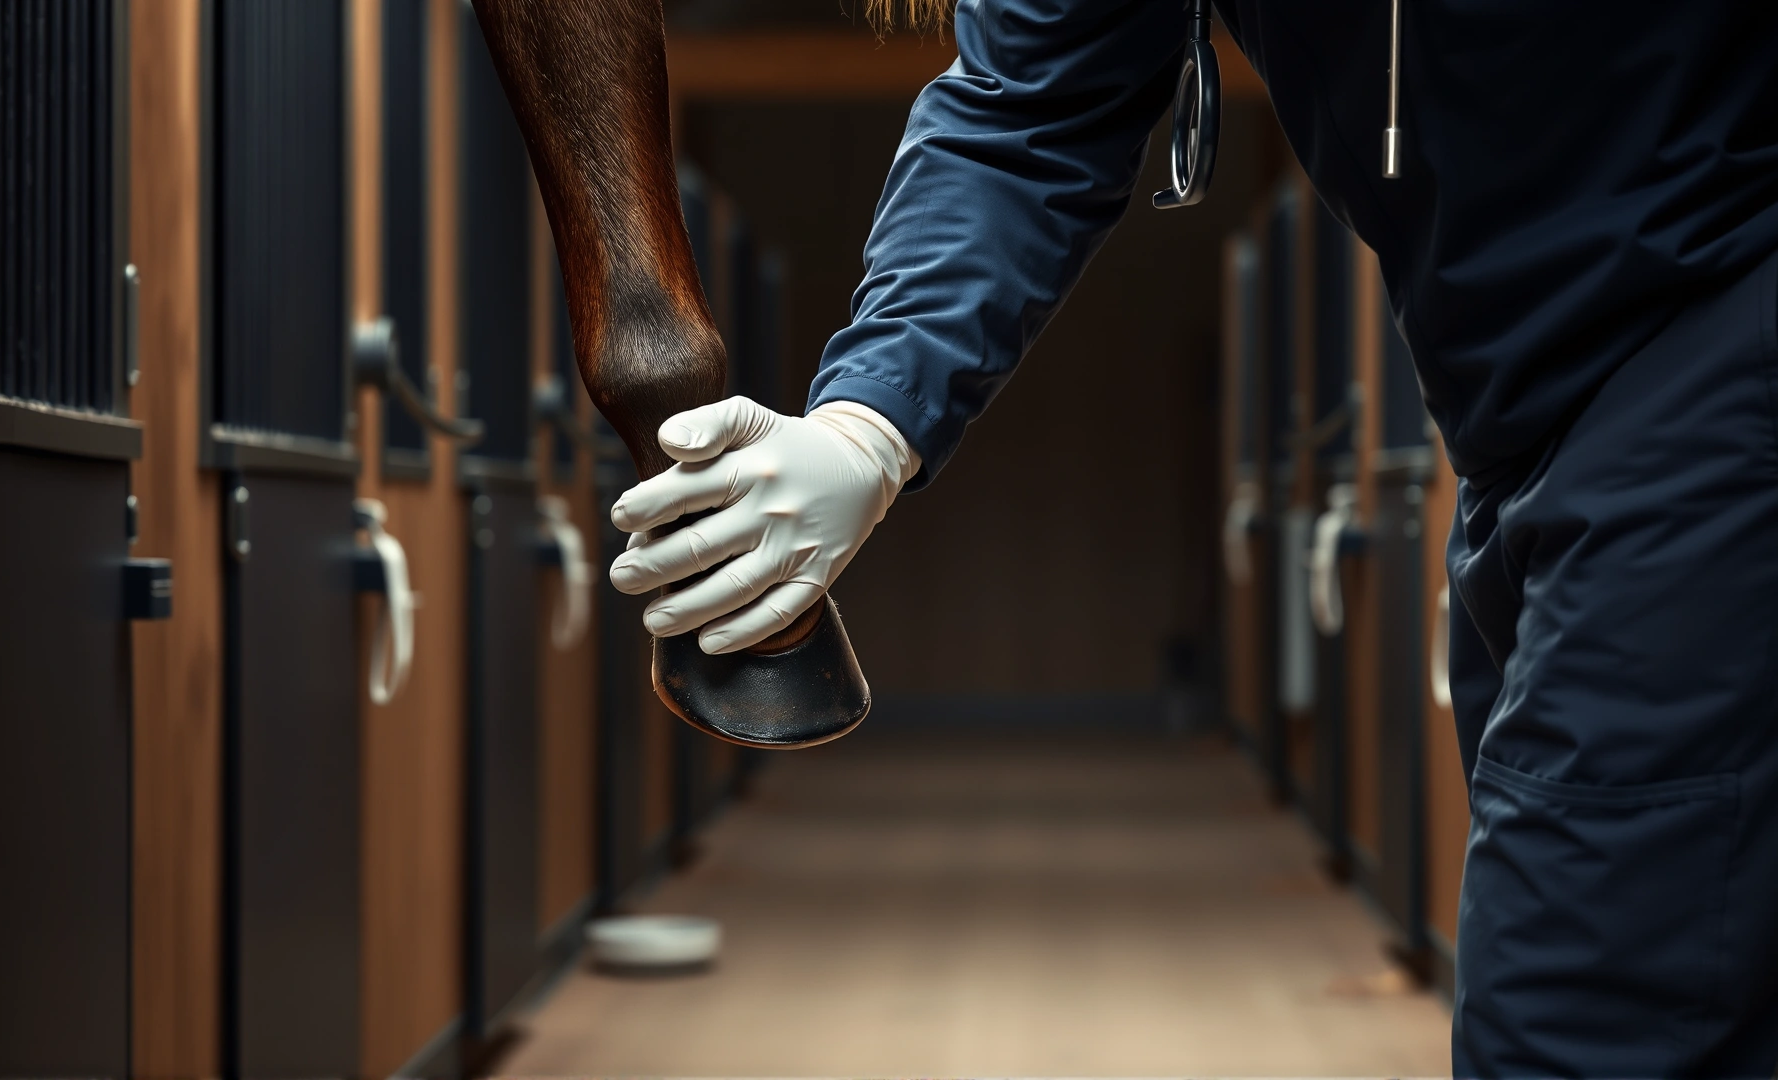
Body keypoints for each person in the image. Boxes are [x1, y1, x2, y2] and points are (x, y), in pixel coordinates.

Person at [604, 0, 1778, 1072]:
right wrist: (870, 419)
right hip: (1522, 417)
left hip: (1715, 329)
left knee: (1581, 1016)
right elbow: (1028, 107)